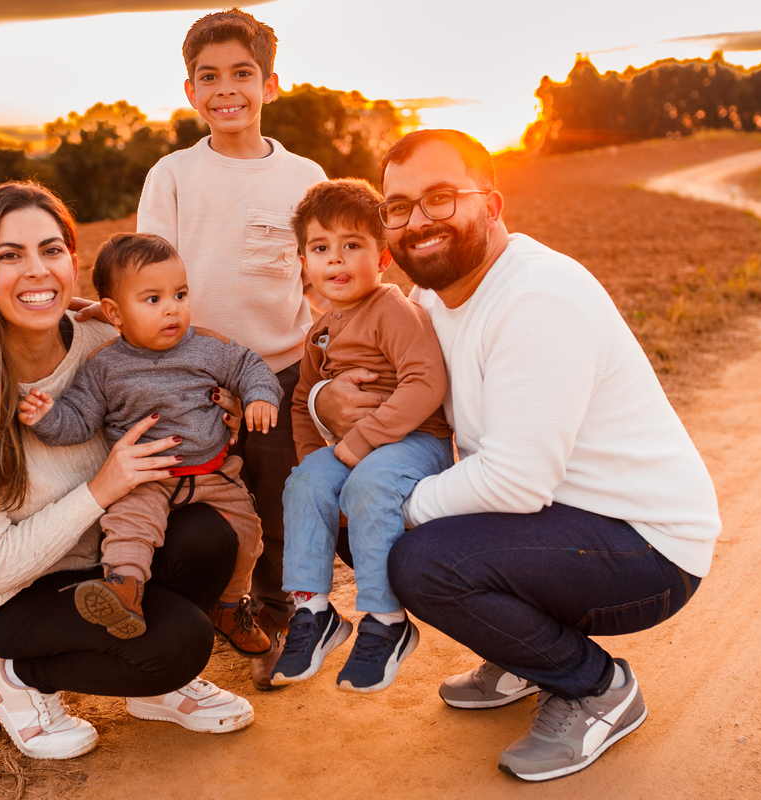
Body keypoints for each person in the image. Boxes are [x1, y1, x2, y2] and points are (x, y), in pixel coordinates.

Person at [312, 130, 722, 780]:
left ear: (493, 206)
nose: (418, 222)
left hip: (647, 545)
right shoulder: (425, 301)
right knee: (347, 509)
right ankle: (527, 651)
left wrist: (388, 504)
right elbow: (361, 382)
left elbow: (516, 480)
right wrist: (323, 403)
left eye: (441, 199)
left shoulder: (536, 298)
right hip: (557, 515)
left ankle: (596, 688)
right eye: (398, 207)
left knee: (419, 558)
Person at [0, 182, 256, 761]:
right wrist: (100, 489)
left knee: (213, 533)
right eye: (8, 255)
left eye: (52, 249)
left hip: (112, 558)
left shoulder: (104, 340)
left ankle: (151, 688)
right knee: (180, 644)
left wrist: (220, 407)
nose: (37, 271)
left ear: (72, 259)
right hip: (17, 596)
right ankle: (18, 679)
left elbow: (194, 366)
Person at [134, 8, 328, 688]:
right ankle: (195, 624)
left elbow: (319, 273)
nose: (226, 89)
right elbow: (149, 277)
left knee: (281, 500)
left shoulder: (305, 174)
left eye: (242, 74)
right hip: (197, 378)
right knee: (207, 504)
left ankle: (276, 622)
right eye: (208, 76)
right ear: (190, 90)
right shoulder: (173, 176)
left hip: (282, 370)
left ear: (270, 84)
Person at [18, 232, 281, 656]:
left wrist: (261, 396)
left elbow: (249, 366)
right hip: (146, 477)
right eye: (153, 299)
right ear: (114, 313)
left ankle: (231, 606)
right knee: (129, 525)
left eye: (179, 294)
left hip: (213, 472)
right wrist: (48, 418)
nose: (172, 308)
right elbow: (80, 420)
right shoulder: (104, 367)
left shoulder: (206, 347)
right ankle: (123, 590)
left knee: (249, 536)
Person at [269, 179, 454, 693]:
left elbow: (426, 382)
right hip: (363, 449)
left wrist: (361, 441)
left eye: (352, 245)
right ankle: (313, 611)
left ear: (384, 257)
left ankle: (386, 620)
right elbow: (303, 403)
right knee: (303, 483)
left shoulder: (392, 309)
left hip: (417, 443)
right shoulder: (321, 331)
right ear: (303, 262)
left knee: (369, 483)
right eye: (321, 249)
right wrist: (316, 468)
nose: (336, 260)